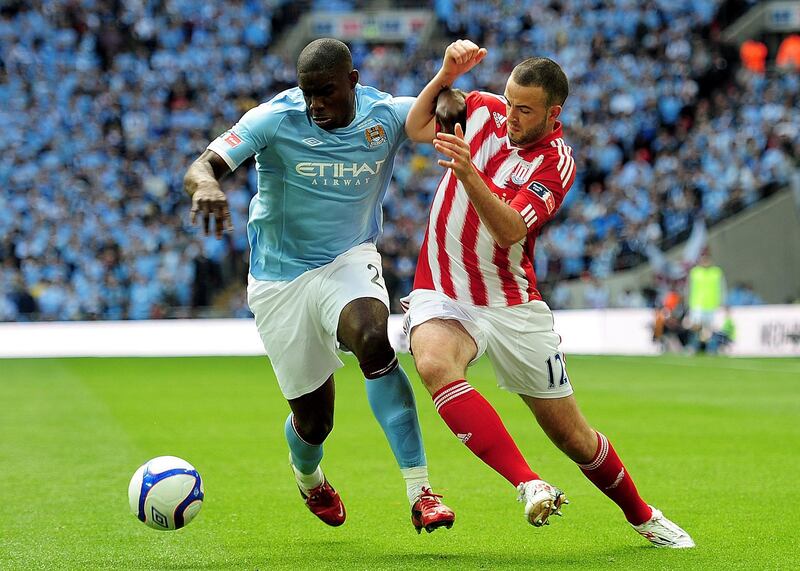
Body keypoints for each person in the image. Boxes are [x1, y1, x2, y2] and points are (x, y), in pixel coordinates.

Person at [403, 40, 694, 547]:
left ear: (552, 112)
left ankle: (644, 515)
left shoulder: (555, 163)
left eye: (524, 109)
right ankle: (527, 483)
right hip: (443, 289)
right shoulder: (485, 111)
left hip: (511, 301)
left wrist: (469, 172)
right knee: (432, 362)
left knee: (573, 437)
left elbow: (510, 230)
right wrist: (445, 74)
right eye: (509, 101)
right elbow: (416, 126)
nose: (510, 115)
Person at [183, 38, 454, 533]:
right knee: (314, 423)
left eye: (326, 92)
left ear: (352, 81)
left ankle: (421, 491)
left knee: (374, 340)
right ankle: (309, 478)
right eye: (308, 93)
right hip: (279, 279)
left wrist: (452, 97)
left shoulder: (387, 116)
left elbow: (444, 114)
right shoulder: (275, 118)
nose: (315, 105)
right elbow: (203, 164)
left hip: (348, 260)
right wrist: (204, 184)